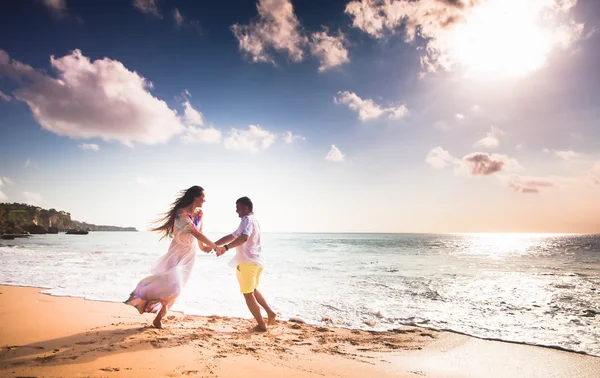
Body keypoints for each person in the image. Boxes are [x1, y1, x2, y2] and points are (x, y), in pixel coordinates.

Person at [124, 185, 216, 328]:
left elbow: (199, 231)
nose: (205, 200)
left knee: (178, 287)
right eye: (203, 197)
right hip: (177, 251)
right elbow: (195, 232)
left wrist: (202, 247)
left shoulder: (199, 213)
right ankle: (142, 296)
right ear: (195, 197)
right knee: (173, 285)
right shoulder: (181, 214)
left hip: (190, 254)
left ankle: (158, 319)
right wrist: (215, 246)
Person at [214, 196, 276, 332]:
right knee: (252, 290)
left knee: (248, 294)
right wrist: (214, 244)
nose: (236, 211)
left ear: (246, 208)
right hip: (257, 262)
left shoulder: (246, 220)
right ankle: (270, 313)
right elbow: (233, 236)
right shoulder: (254, 220)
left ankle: (261, 325)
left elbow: (243, 238)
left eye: (238, 208)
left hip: (247, 263)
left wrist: (225, 248)